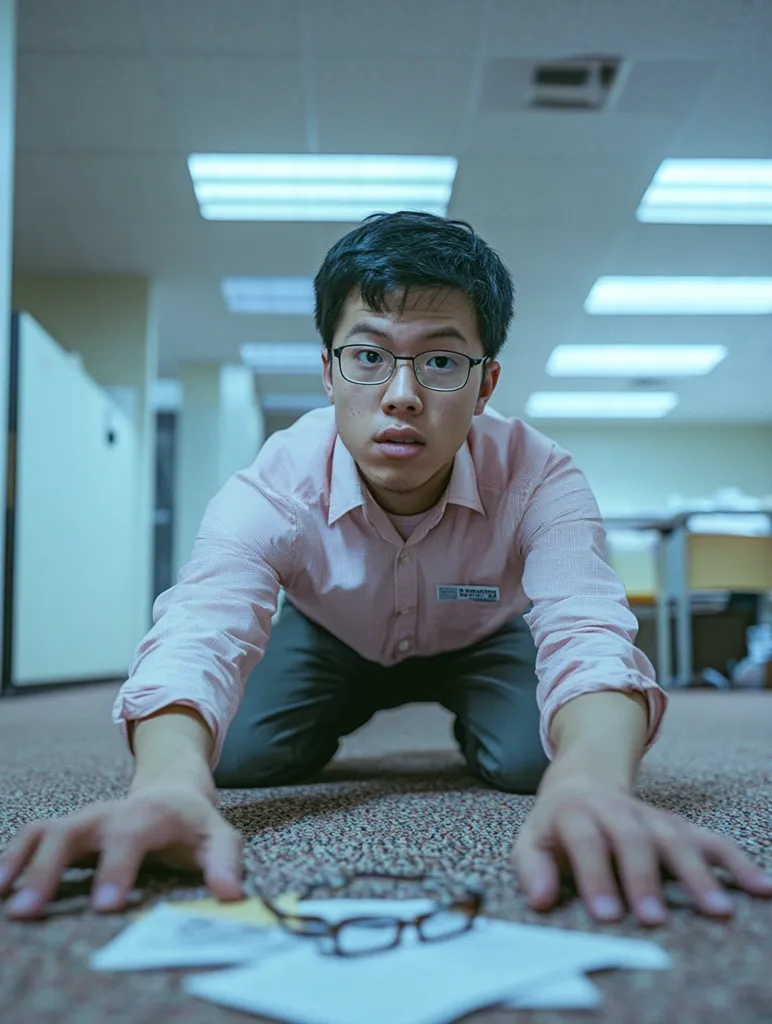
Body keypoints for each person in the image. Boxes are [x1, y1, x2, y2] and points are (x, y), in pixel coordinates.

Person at [2, 212, 770, 926]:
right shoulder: (274, 487)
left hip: (485, 637)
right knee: (230, 757)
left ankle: (485, 723)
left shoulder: (541, 476)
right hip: (333, 635)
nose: (401, 397)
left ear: (484, 384)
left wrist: (594, 782)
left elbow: (589, 629)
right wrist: (166, 782)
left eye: (440, 361)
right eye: (369, 357)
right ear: (330, 373)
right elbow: (199, 629)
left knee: (544, 758)